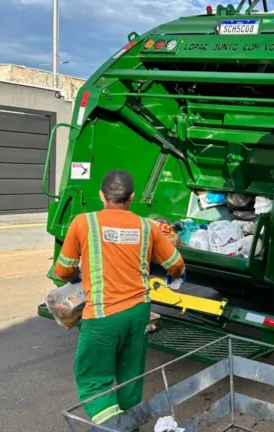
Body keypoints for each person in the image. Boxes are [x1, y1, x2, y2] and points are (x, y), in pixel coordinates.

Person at [53, 169, 185, 427]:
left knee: (93, 381)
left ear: (102, 196)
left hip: (102, 315)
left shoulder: (83, 223)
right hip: (138, 312)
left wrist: (78, 272)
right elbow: (176, 264)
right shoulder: (148, 227)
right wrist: (174, 274)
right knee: (130, 379)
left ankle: (115, 427)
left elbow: (63, 270)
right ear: (132, 197)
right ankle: (130, 424)